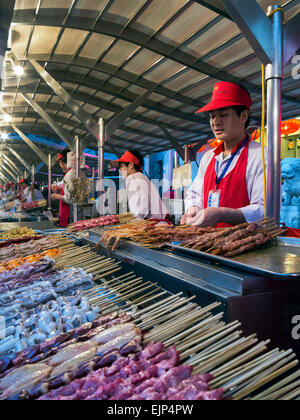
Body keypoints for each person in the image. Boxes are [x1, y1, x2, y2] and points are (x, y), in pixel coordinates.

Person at [181, 81, 265, 228]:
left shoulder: (260, 156)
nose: (215, 122)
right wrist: (194, 208)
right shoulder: (208, 158)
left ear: (244, 116)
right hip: (205, 244)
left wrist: (222, 214)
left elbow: (265, 210)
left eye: (224, 115)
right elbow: (195, 193)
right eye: (212, 116)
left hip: (243, 246)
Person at [110, 150, 169, 221]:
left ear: (131, 165)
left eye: (121, 166)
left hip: (151, 224)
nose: (119, 170)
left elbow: (140, 211)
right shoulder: (141, 178)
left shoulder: (133, 179)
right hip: (157, 221)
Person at [51, 150, 71, 227]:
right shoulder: (70, 173)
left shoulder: (70, 175)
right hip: (66, 212)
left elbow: (71, 198)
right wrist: (60, 189)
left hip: (69, 214)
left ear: (62, 162)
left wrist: (56, 196)